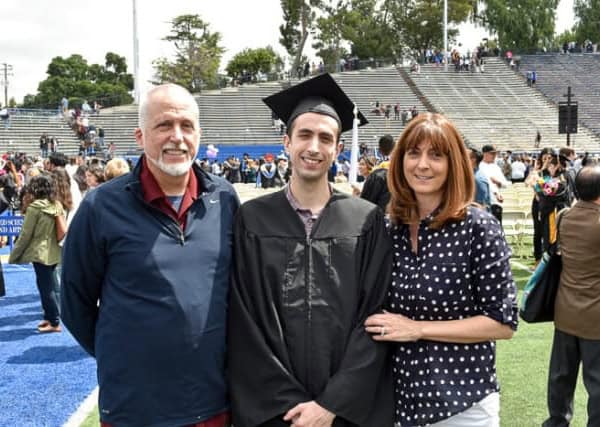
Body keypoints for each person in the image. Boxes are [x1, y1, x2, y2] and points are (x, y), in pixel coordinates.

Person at [60, 84, 239, 427]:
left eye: (187, 126)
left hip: (212, 402)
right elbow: (74, 301)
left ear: (199, 133)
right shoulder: (101, 207)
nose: (177, 137)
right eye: (164, 126)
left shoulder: (225, 199)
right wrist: (124, 354)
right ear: (140, 136)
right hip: (135, 407)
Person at [228, 73, 394, 427]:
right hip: (276, 413)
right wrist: (290, 406)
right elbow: (245, 324)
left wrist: (332, 404)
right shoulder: (252, 220)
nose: (314, 147)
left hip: (347, 412)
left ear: (337, 149)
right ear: (286, 142)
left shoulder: (365, 222)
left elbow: (375, 319)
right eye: (304, 135)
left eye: (325, 138)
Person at [365, 113, 518, 426]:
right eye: (413, 153)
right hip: (397, 402)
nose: (423, 165)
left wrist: (418, 328)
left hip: (462, 404)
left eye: (436, 155)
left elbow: (502, 323)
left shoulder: (478, 228)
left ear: (453, 164)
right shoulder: (387, 228)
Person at [543, 165, 600, 427]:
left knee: (560, 377)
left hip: (565, 309)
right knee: (597, 382)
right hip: (595, 317)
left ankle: (556, 422)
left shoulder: (565, 216)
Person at [9, 174, 65, 333]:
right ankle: (51, 317)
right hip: (54, 250)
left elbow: (25, 234)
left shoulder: (34, 208)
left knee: (45, 287)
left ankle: (54, 321)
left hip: (40, 252)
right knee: (51, 286)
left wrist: (15, 255)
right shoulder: (56, 205)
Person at [359, 134, 395, 211]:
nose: (359, 167)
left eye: (362, 164)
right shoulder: (400, 168)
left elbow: (366, 204)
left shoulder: (378, 174)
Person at [479, 144, 509, 223]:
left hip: (496, 202)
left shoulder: (496, 167)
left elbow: (505, 184)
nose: (494, 156)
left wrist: (498, 182)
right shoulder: (479, 167)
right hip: (483, 203)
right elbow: (487, 183)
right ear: (485, 154)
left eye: (495, 154)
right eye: (492, 153)